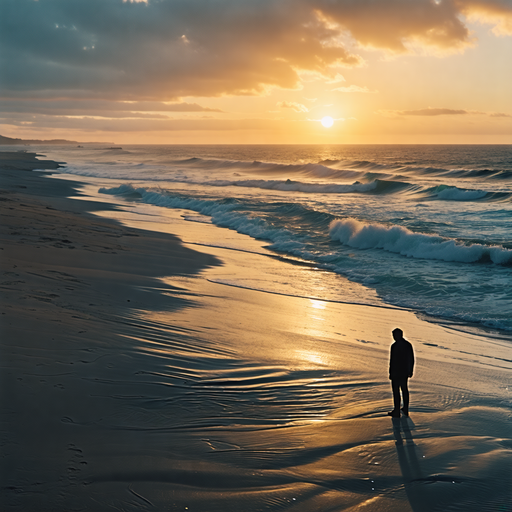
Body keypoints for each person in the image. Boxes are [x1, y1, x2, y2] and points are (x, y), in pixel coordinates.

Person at [388, 328, 414, 418]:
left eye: (394, 335)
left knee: (396, 391)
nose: (394, 337)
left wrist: (390, 373)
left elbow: (392, 361)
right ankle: (405, 409)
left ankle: (397, 410)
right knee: (404, 390)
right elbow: (411, 359)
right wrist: (410, 371)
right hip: (404, 372)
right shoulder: (408, 345)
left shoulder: (394, 346)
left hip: (396, 372)